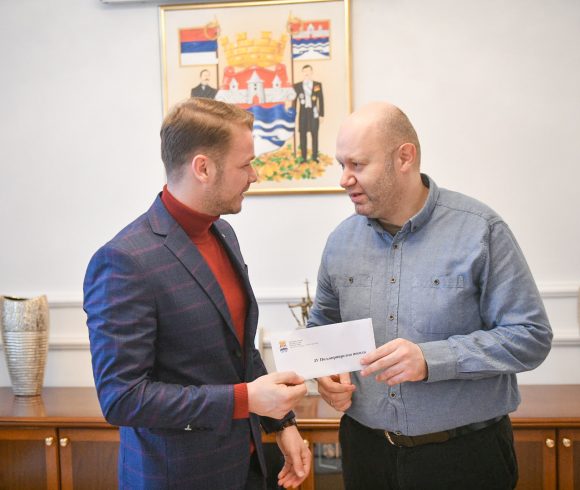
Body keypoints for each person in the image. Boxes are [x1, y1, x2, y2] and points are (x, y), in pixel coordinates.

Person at [307, 101, 552, 490]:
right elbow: (322, 326)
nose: (343, 179)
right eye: (341, 164)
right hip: (366, 454)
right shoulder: (340, 241)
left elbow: (531, 337)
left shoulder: (481, 230)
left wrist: (431, 359)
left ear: (404, 157)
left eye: (357, 164)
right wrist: (326, 373)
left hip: (465, 458)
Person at [84, 97, 311, 490]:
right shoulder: (124, 261)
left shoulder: (223, 233)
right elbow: (122, 398)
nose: (255, 175)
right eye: (245, 165)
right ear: (203, 168)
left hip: (248, 469)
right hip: (177, 477)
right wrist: (245, 400)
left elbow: (240, 351)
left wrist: (282, 424)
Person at [293, 65, 324, 162]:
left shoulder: (317, 85)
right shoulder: (297, 86)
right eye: (305, 71)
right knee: (302, 135)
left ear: (312, 72)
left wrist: (321, 115)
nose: (307, 73)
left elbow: (321, 100)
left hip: (314, 112)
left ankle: (315, 156)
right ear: (302, 73)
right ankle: (303, 157)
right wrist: (293, 114)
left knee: (314, 134)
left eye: (308, 71)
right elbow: (294, 101)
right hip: (303, 113)